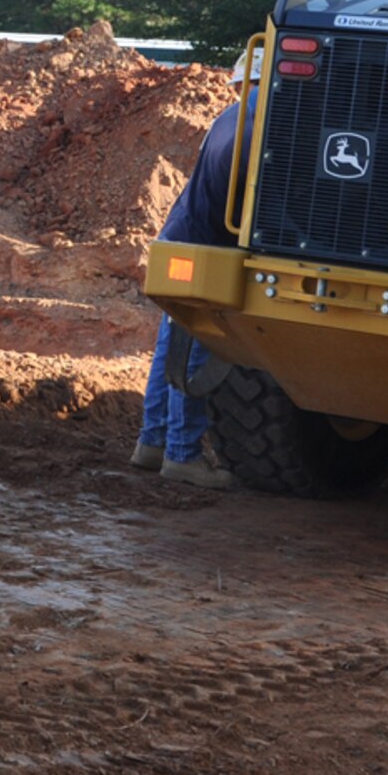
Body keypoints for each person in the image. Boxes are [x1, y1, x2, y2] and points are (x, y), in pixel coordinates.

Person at [133, 59, 255, 489]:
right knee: (195, 350)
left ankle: (153, 444)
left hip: (181, 237)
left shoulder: (228, 118)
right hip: (205, 247)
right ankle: (182, 456)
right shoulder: (264, 115)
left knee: (173, 346)